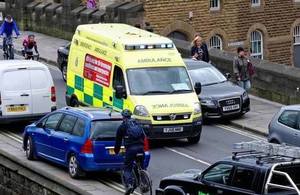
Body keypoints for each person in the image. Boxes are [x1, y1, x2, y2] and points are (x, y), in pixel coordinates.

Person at [114, 109, 146, 195]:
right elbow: (143, 136)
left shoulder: (122, 126)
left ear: (123, 117)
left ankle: (129, 185)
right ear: (130, 116)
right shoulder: (137, 124)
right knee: (141, 166)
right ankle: (145, 183)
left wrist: (116, 151)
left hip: (131, 149)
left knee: (127, 168)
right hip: (141, 148)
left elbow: (118, 141)